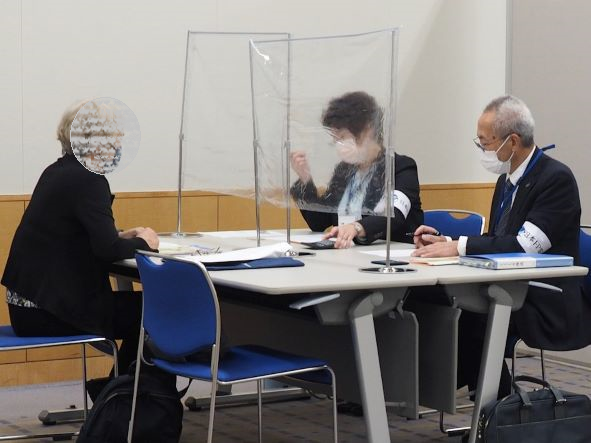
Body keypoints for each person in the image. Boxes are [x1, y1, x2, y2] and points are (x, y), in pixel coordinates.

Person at [412, 95, 591, 396]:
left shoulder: (556, 179)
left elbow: (524, 246)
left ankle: (498, 405)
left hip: (545, 295)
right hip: (507, 286)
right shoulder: (506, 181)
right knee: (433, 301)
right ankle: (475, 397)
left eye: (485, 142)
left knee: (470, 317)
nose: (483, 150)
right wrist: (447, 242)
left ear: (513, 141)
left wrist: (460, 247)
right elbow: (498, 238)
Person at [1, 99, 159, 382]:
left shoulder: (58, 171)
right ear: (96, 142)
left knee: (144, 310)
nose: (118, 145)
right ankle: (121, 396)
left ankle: (118, 392)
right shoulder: (89, 179)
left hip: (26, 308)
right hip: (48, 311)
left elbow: (75, 235)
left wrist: (118, 235)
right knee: (158, 311)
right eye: (114, 138)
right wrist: (146, 242)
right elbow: (108, 250)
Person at [290, 91, 423, 249]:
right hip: (348, 253)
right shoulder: (344, 171)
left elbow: (394, 215)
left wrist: (357, 227)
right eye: (335, 139)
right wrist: (305, 179)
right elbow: (318, 223)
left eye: (343, 137)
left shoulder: (401, 167)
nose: (339, 146)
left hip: (391, 252)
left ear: (368, 130)